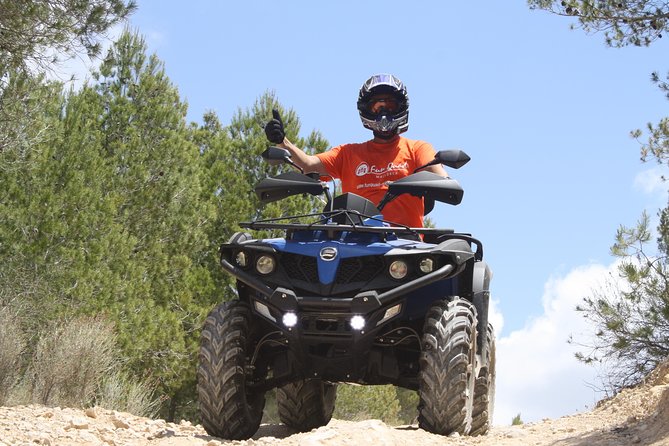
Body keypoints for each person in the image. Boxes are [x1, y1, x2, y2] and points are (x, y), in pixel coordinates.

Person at [264, 73, 447, 228]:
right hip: (355, 241)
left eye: (389, 105)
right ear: (366, 109)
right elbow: (308, 165)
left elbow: (442, 180)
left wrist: (424, 185)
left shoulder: (417, 149)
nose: (383, 112)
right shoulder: (348, 154)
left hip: (405, 246)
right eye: (377, 106)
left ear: (400, 107)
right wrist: (282, 141)